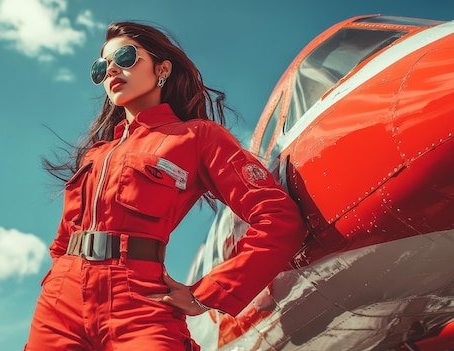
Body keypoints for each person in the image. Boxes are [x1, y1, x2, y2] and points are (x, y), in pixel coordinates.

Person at [24, 21, 307, 351]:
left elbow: (278, 218)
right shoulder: (95, 155)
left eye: (126, 57)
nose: (112, 69)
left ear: (163, 68)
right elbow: (62, 241)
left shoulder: (197, 137)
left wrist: (207, 293)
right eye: (101, 67)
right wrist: (57, 283)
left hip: (140, 301)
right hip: (61, 305)